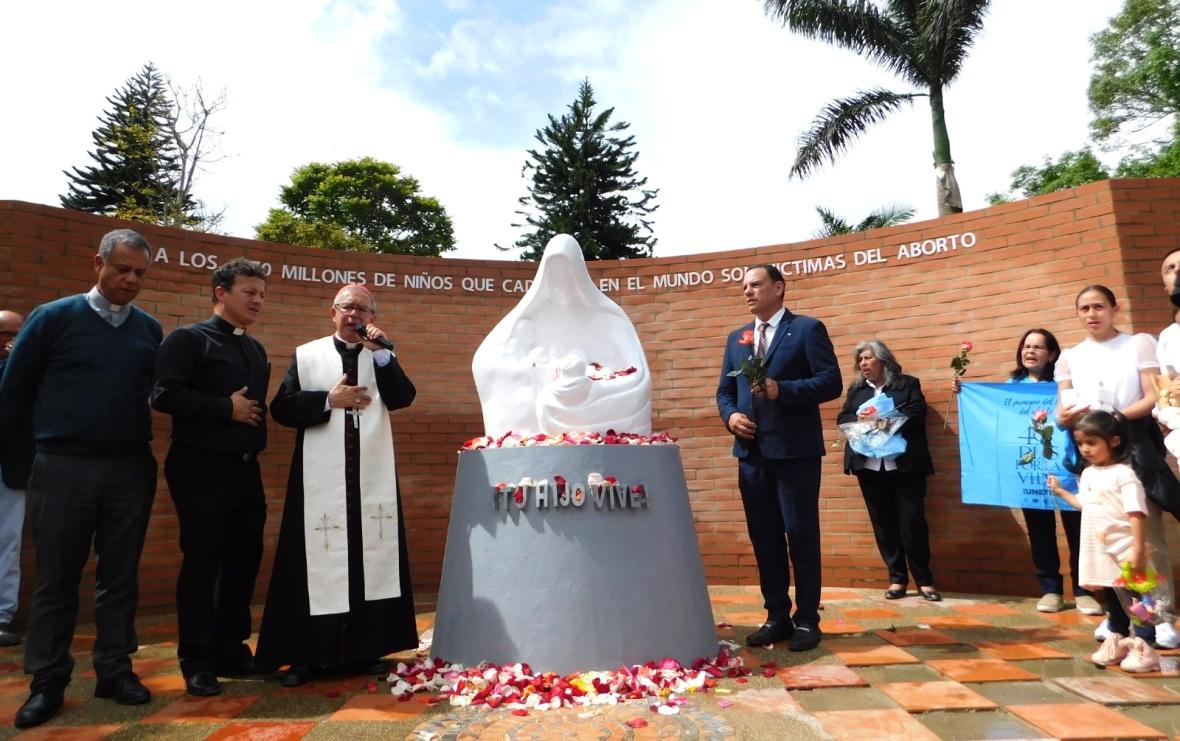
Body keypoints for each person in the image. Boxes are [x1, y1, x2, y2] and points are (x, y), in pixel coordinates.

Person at [0, 229, 162, 728]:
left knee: (120, 576)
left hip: (130, 468)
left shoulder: (149, 329)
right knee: (56, 578)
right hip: (62, 467)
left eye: (139, 273)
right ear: (98, 263)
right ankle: (47, 681)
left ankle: (115, 670)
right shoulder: (53, 318)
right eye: (122, 269)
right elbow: (15, 390)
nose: (130, 280)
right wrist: (29, 460)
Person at [255, 284, 418, 686]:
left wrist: (384, 356)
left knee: (367, 560)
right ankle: (308, 656)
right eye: (346, 307)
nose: (353, 314)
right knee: (312, 564)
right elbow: (281, 408)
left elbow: (402, 398)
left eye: (362, 309)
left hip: (368, 483)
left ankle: (363, 651)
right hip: (319, 486)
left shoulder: (380, 357)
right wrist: (328, 400)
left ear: (372, 319)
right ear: (333, 313)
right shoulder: (307, 355)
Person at [150, 258, 270, 697]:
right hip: (200, 468)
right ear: (221, 292)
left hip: (245, 470)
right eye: (249, 292)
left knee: (243, 560)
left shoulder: (255, 349)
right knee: (203, 564)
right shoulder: (188, 340)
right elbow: (163, 395)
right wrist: (224, 408)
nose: (257, 301)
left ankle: (231, 649)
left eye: (261, 295)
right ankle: (197, 660)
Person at [716, 264, 842, 651]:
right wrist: (731, 417)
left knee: (800, 536)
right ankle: (776, 616)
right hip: (751, 455)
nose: (747, 291)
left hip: (795, 453)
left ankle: (807, 620)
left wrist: (781, 390)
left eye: (756, 284)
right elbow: (724, 391)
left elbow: (831, 382)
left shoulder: (806, 329)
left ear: (779, 287)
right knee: (765, 538)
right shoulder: (738, 338)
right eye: (744, 286)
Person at [1056, 284, 1179, 650]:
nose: (1092, 314)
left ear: (1115, 309)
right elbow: (1062, 408)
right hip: (1093, 453)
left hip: (1133, 446)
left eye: (1098, 306)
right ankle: (1119, 617)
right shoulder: (1070, 356)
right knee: (1104, 535)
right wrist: (1066, 417)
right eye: (1084, 308)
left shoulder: (1138, 344)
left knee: (1146, 536)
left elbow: (1152, 396)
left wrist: (1114, 421)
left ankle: (1160, 616)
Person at [953, 329, 1101, 615]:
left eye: (1038, 347)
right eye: (1026, 346)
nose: (1030, 351)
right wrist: (965, 393)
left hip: (1068, 469)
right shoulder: (1011, 387)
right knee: (1040, 531)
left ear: (1052, 354)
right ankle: (1050, 590)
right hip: (1029, 470)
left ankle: (1084, 591)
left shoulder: (1065, 384)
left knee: (1078, 530)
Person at [1047, 411, 1173, 672]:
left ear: (1114, 441)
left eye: (1091, 442)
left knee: (1138, 601)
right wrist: (1060, 491)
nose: (1085, 449)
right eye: (1080, 443)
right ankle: (1117, 639)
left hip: (1126, 550)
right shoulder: (1089, 474)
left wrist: (1137, 551)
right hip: (1102, 551)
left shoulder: (1124, 475)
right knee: (1113, 598)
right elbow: (1084, 504)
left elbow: (1136, 513)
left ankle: (1144, 647)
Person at [836, 340, 939, 602]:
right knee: (883, 523)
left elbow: (917, 411)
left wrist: (884, 420)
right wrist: (860, 420)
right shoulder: (857, 390)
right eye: (860, 360)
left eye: (868, 358)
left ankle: (924, 581)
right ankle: (897, 578)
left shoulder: (907, 384)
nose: (863, 363)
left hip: (903, 465)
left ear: (883, 360)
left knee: (912, 521)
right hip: (870, 466)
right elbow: (843, 418)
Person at [0, 309, 27, 648]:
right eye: (6, 334)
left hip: (11, 467)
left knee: (8, 541)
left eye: (18, 334)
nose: (11, 341)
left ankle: (2, 616)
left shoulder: (22, 369)